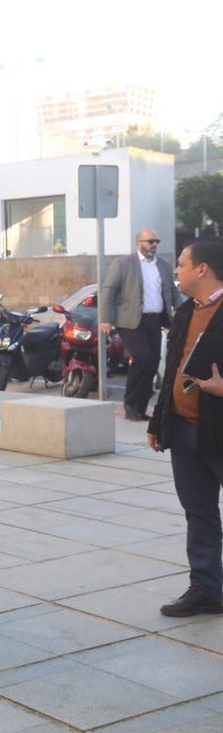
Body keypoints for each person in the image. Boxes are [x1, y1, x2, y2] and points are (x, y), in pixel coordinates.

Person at [147, 238, 223, 618]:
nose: (175, 270)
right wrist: (159, 421)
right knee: (199, 511)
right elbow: (173, 370)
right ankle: (207, 589)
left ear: (202, 269)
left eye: (181, 263)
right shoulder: (183, 312)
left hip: (219, 430)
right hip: (183, 430)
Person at [101, 229, 178, 421]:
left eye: (156, 241)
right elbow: (108, 291)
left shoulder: (163, 265)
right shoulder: (123, 263)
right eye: (150, 241)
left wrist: (187, 308)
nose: (154, 245)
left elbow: (173, 291)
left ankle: (140, 408)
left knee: (152, 363)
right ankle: (130, 404)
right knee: (142, 358)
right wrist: (105, 319)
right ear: (139, 243)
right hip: (130, 321)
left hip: (155, 320)